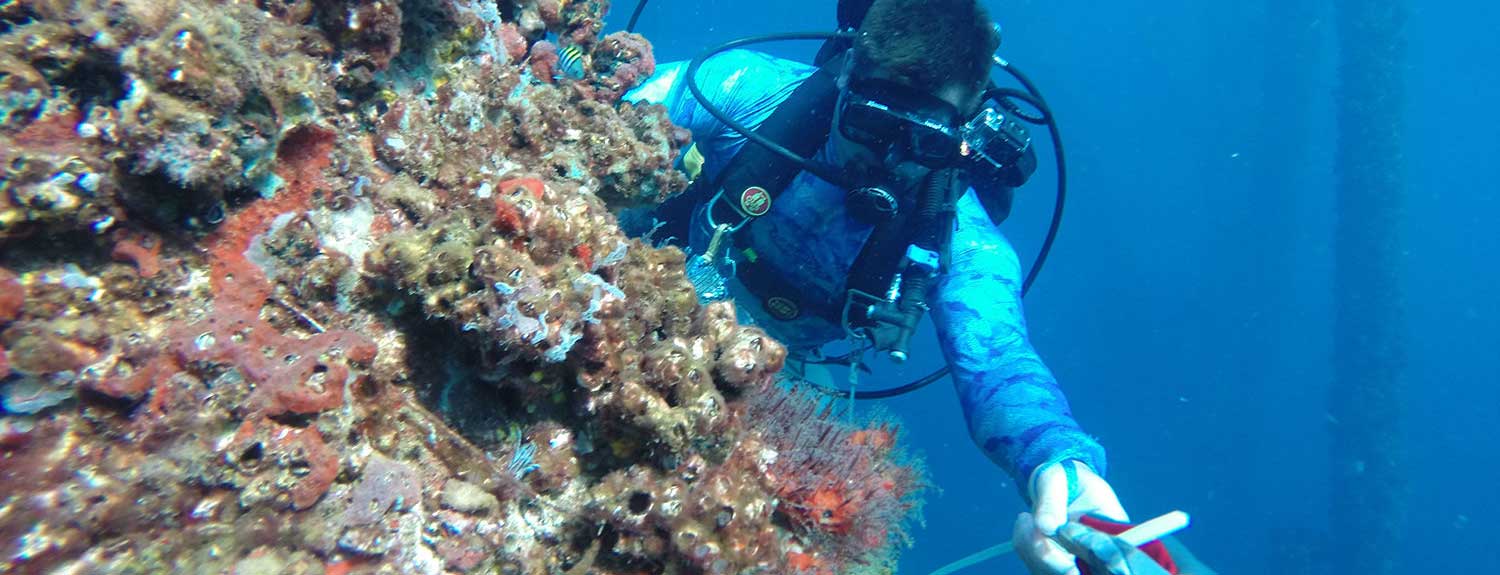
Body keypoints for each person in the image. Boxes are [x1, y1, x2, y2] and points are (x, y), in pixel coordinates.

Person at [623, 0, 1201, 573]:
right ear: (847, 71)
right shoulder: (745, 89)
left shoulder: (961, 240)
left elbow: (998, 358)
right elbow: (622, 115)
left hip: (773, 367)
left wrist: (1058, 466)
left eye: (923, 141)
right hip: (642, 275)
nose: (886, 159)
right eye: (872, 123)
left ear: (964, 130)